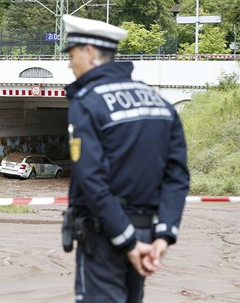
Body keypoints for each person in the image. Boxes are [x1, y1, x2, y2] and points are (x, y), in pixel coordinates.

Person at [61, 15, 189, 303]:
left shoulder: (87, 102)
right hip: (147, 234)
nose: (69, 63)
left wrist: (126, 240)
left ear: (90, 53)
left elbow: (91, 179)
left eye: (72, 54)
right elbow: (177, 176)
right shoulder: (160, 102)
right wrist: (163, 235)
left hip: (105, 236)